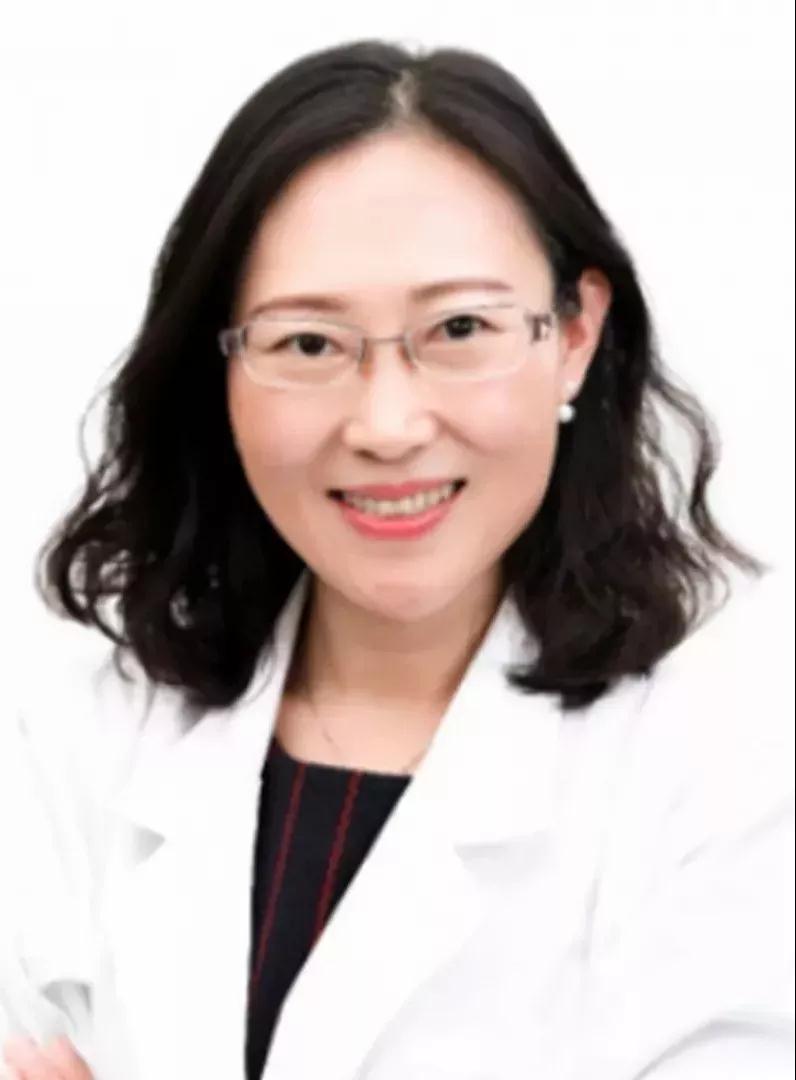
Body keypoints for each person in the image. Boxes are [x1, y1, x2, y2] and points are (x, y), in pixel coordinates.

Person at [1, 37, 793, 1080]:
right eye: (308, 343)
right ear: (219, 368)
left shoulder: (731, 773)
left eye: (459, 327)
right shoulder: (69, 745)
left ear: (573, 336)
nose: (385, 424)